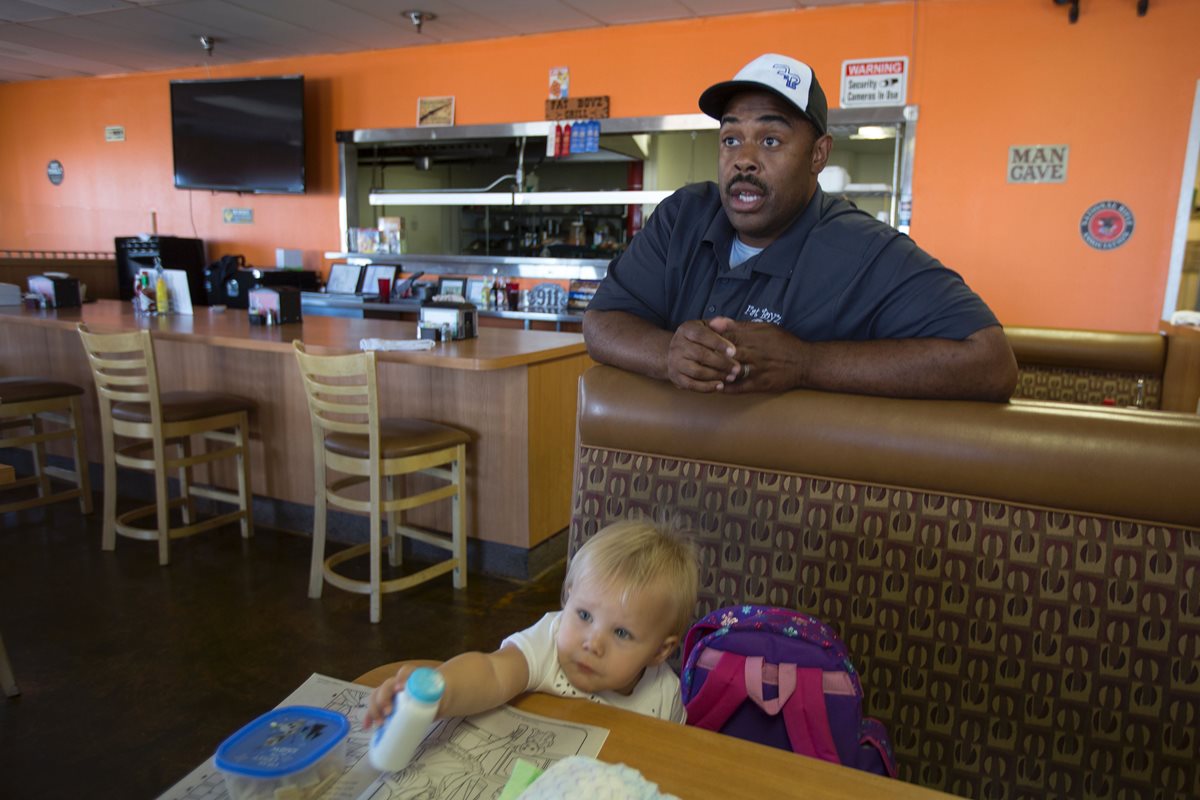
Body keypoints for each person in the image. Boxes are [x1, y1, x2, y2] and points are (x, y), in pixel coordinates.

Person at [584, 53, 1018, 402]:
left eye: (771, 140)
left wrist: (806, 363)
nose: (744, 158)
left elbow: (991, 363)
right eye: (731, 138)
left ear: (818, 155)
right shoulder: (683, 216)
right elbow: (601, 322)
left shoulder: (863, 249)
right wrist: (670, 356)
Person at [364, 520, 699, 727]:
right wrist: (438, 693)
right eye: (583, 615)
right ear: (568, 597)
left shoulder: (665, 695)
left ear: (660, 650)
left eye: (622, 632)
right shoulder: (549, 644)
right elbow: (491, 672)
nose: (592, 643)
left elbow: (670, 760)